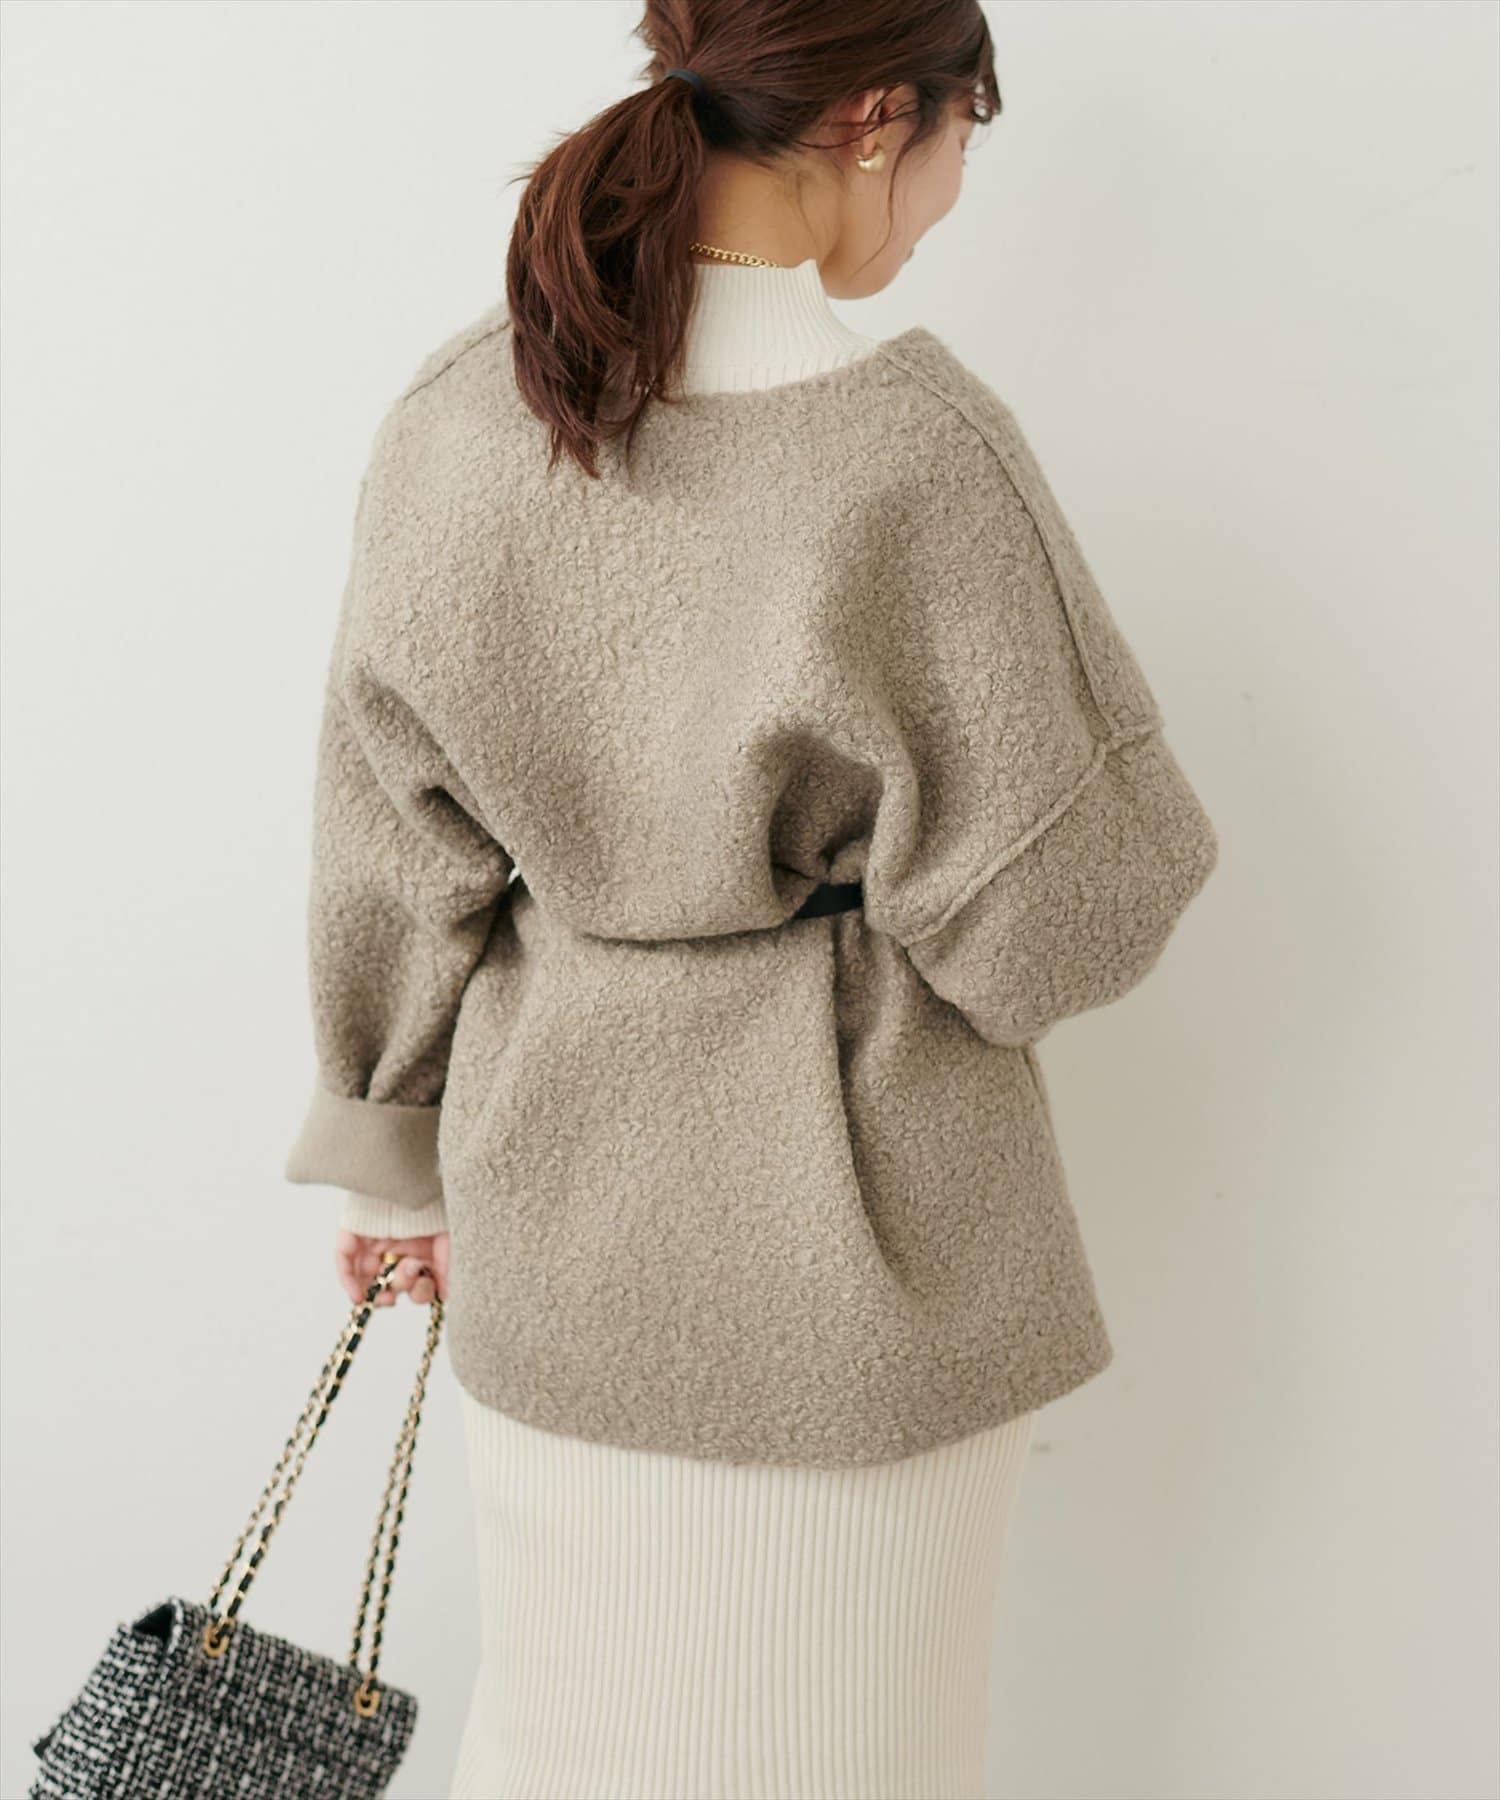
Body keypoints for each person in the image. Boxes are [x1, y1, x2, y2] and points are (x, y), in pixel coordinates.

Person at [283, 2, 1220, 1794]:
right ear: (879, 117)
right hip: (862, 1268)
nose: (948, 197)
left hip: (555, 1235)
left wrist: (394, 1157)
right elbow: (1065, 919)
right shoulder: (919, 449)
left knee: (562, 1743)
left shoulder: (465, 415)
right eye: (961, 140)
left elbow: (388, 839)